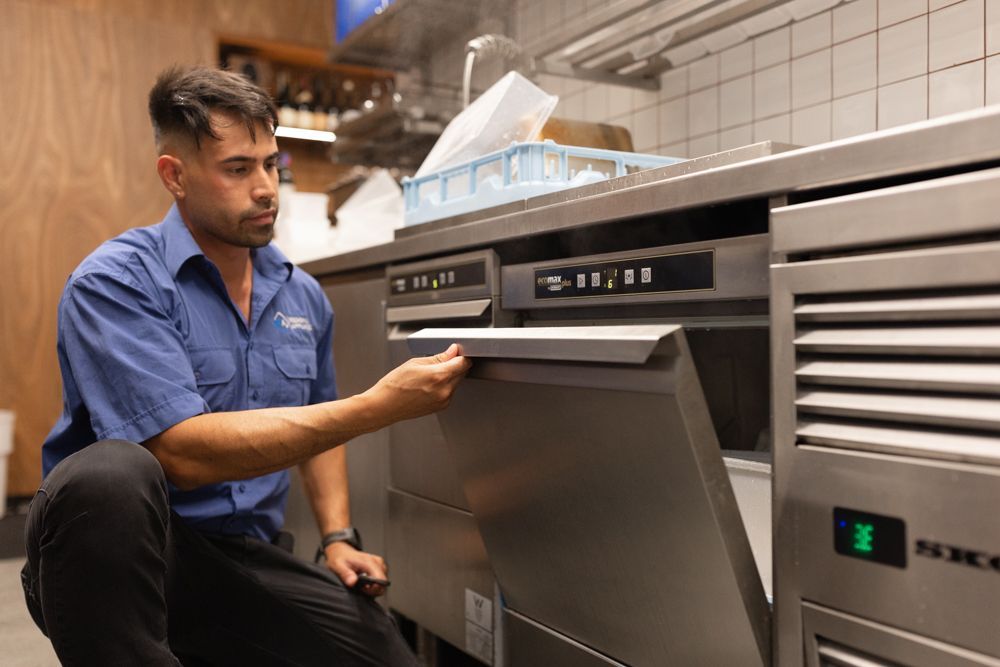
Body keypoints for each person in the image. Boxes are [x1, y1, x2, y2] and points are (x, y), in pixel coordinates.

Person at [20, 65, 470, 666]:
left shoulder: (301, 294)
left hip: (242, 556)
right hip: (127, 559)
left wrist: (337, 536)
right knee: (111, 474)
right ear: (174, 176)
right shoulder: (116, 282)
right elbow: (182, 452)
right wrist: (378, 408)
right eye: (238, 169)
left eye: (271, 164)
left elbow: (317, 426)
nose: (266, 188)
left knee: (383, 655)